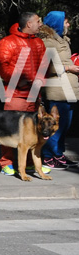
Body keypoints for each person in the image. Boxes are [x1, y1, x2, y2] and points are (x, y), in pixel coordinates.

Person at [0, 12, 49, 176]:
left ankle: (31, 163)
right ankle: (7, 162)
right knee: (10, 128)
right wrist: (23, 79)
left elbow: (43, 65)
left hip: (33, 95)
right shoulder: (8, 42)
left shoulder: (39, 42)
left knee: (33, 130)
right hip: (16, 93)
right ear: (28, 24)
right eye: (38, 21)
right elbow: (2, 67)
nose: (40, 24)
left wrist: (40, 79)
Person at [37, 11, 79, 169]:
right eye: (66, 22)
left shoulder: (61, 39)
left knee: (65, 124)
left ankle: (58, 153)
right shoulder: (48, 41)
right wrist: (69, 67)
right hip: (58, 89)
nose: (68, 25)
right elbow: (46, 65)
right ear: (57, 23)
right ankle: (49, 155)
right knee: (55, 125)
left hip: (68, 88)